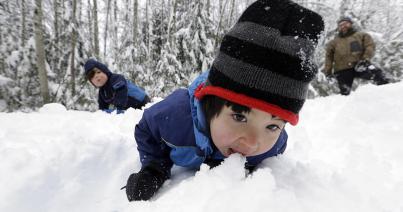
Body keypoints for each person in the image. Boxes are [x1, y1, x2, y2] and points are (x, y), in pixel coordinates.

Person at [123, 0, 324, 201]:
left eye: (272, 126)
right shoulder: (175, 117)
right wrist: (154, 167)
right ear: (210, 103)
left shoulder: (272, 145)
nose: (252, 143)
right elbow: (146, 129)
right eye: (239, 116)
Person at [324, 17, 389, 95]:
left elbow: (370, 46)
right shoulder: (333, 43)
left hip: (360, 65)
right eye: (341, 25)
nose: (343, 26)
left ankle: (387, 95)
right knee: (345, 94)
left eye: (346, 24)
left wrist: (365, 60)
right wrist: (328, 73)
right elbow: (328, 58)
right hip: (342, 70)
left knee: (379, 75)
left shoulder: (362, 35)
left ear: (351, 24)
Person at [84, 59, 150, 113]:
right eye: (92, 76)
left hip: (142, 102)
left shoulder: (115, 79)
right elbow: (102, 108)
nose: (97, 76)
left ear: (105, 71)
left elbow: (121, 91)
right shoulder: (102, 92)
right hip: (131, 109)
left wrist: (118, 109)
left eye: (98, 72)